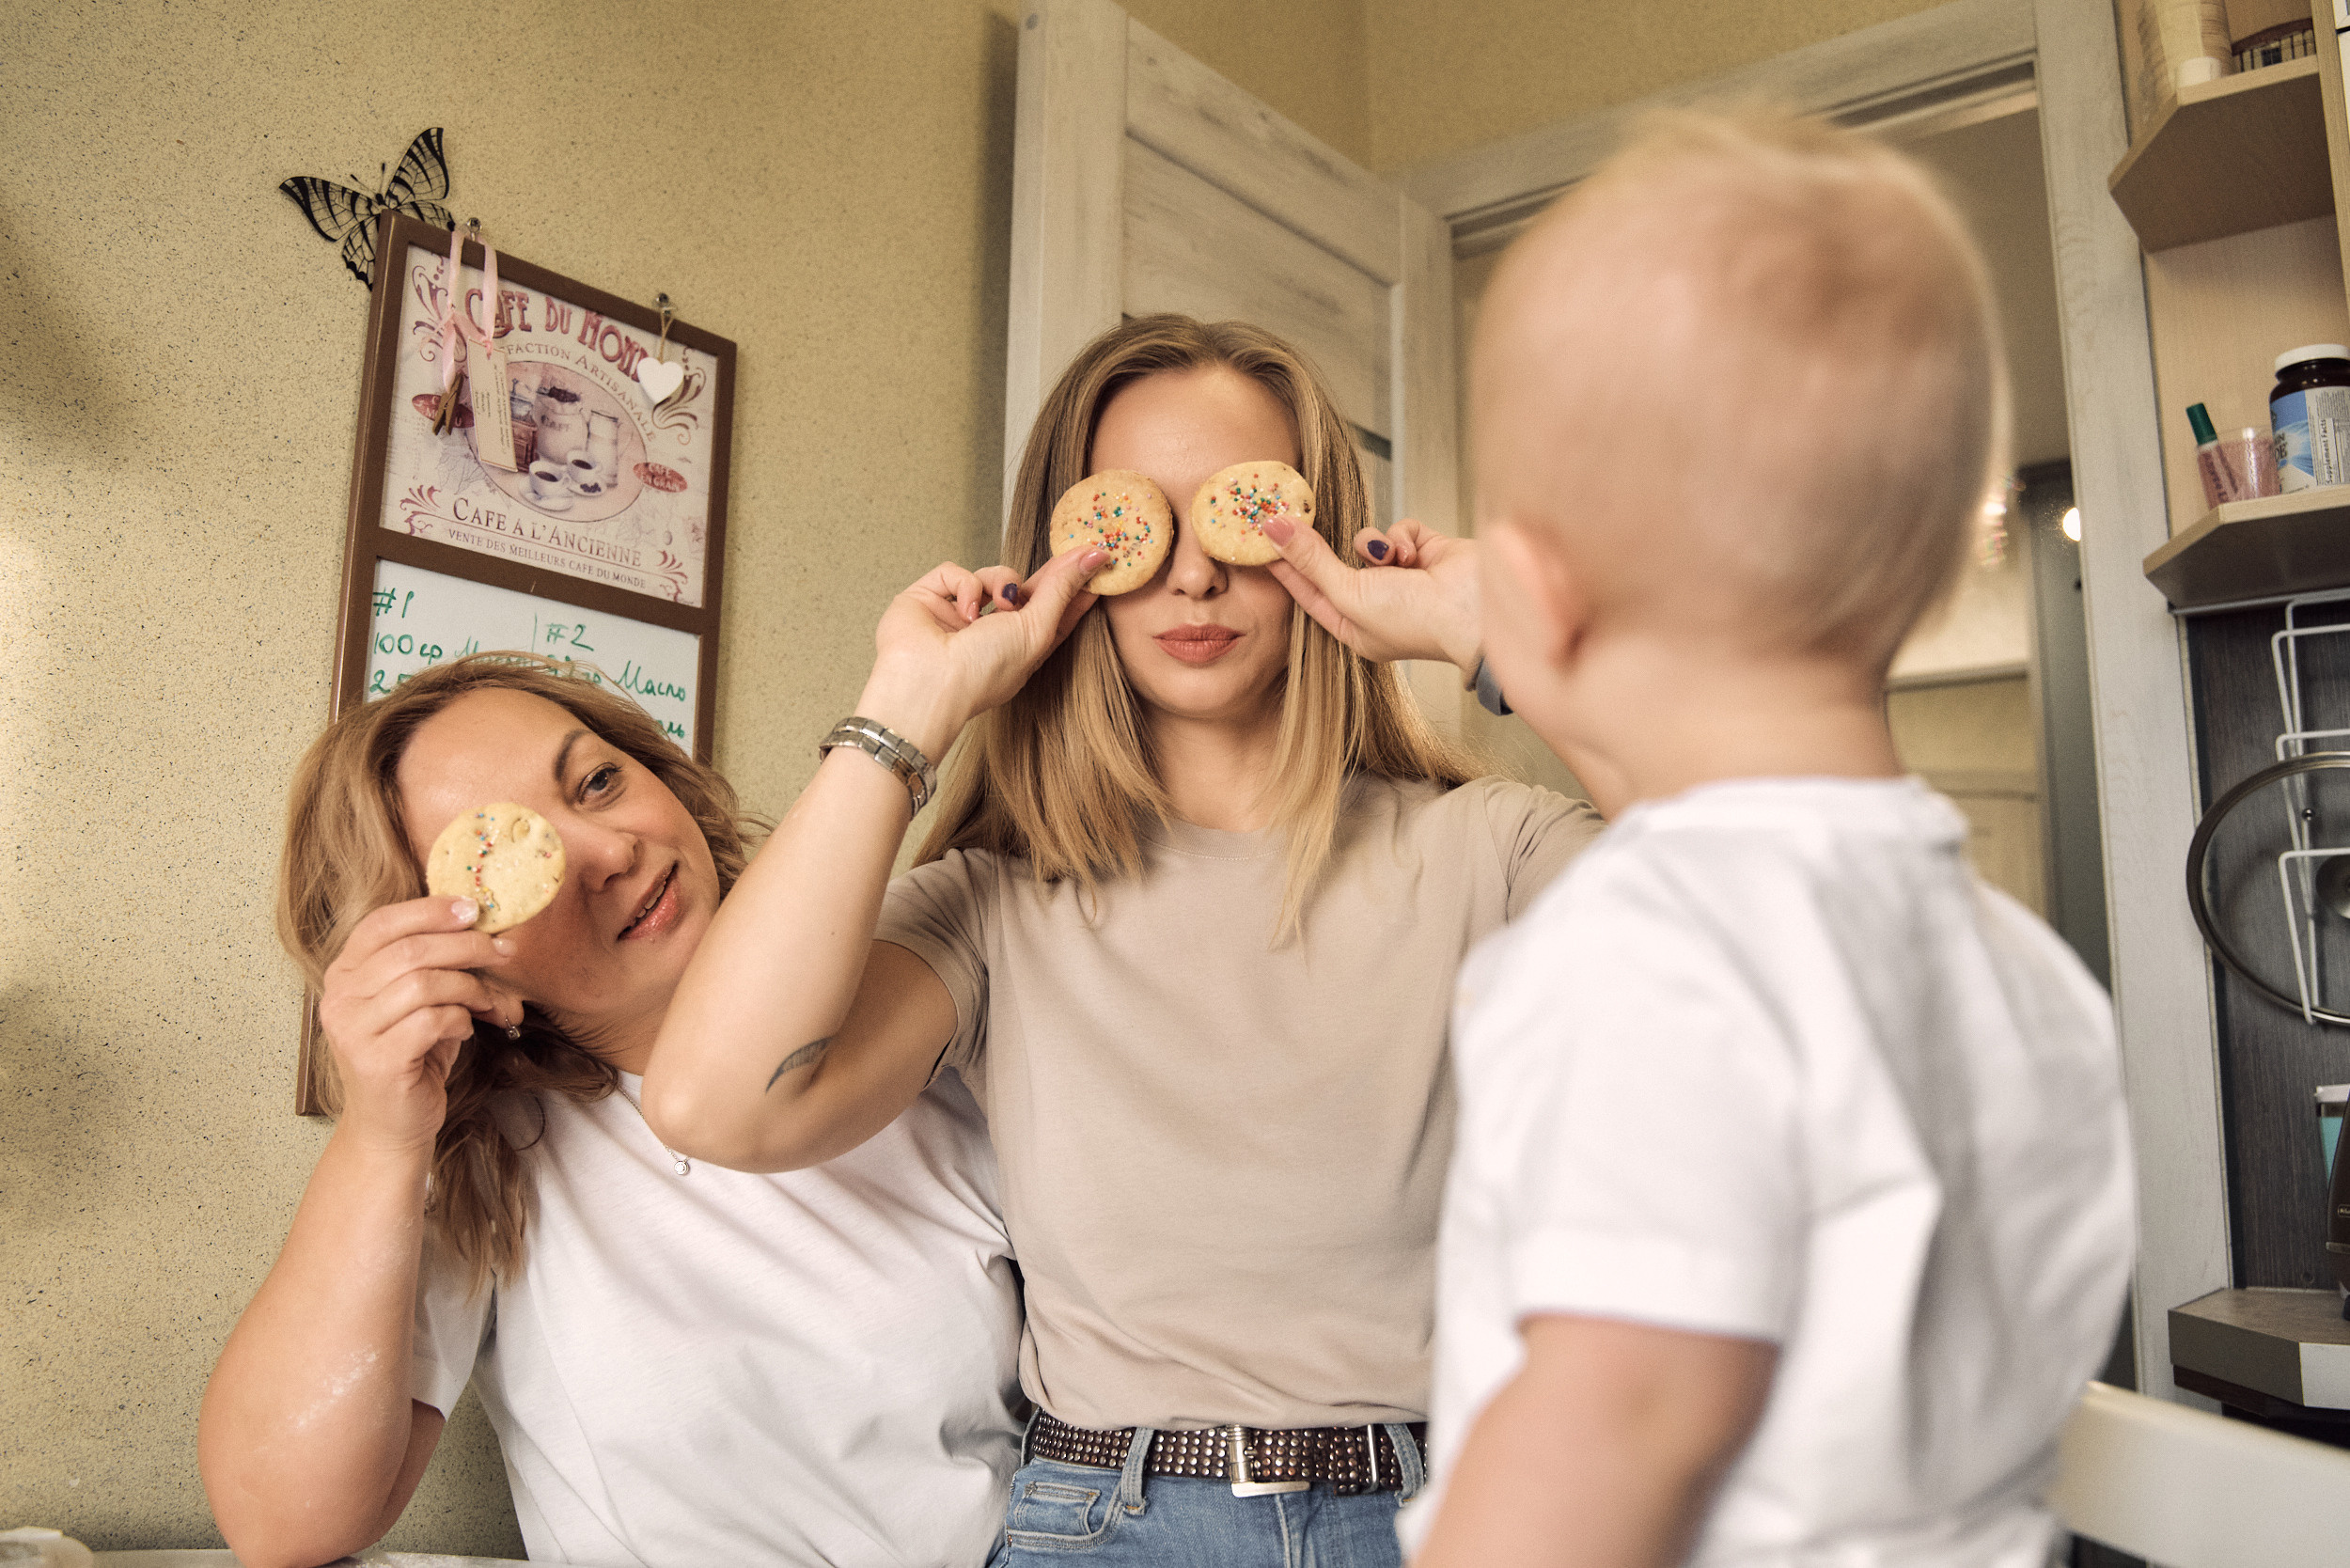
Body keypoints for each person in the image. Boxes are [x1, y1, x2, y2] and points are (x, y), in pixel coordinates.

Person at [641, 315, 1604, 1566]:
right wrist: (908, 707)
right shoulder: (993, 906)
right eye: (1135, 526)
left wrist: (1502, 635)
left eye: (1237, 522)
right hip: (1108, 1524)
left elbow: (1789, 947)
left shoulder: (1495, 851)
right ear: (1069, 555)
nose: (1192, 577)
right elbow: (717, 1108)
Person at [1403, 111, 2136, 1568]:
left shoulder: (1649, 949)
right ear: (1931, 577)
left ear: (1530, 600)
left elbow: (1624, 1422)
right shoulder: (2019, 968)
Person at [197, 656, 1023, 1568]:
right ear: (446, 952)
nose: (609, 852)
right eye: (505, 858)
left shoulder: (923, 1018)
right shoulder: (487, 1163)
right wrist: (380, 1135)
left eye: (598, 781)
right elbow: (283, 1524)